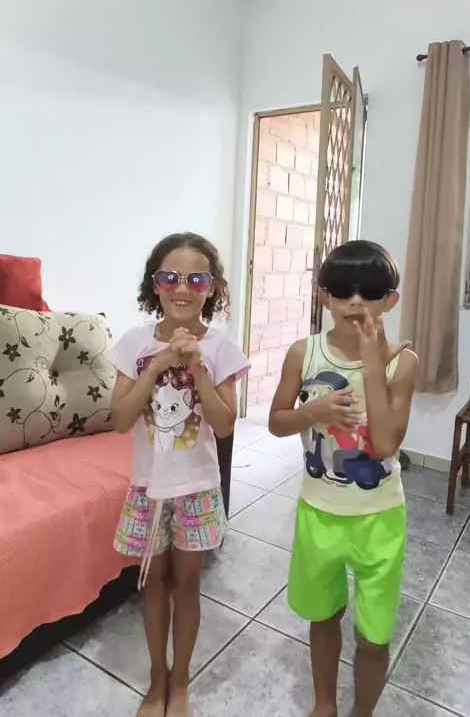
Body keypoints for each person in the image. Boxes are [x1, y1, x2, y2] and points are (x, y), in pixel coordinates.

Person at [269, 240, 418, 717]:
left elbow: (387, 442)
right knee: (323, 615)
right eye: (342, 290)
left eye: (370, 291)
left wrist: (373, 361)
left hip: (379, 518)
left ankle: (362, 712)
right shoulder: (303, 352)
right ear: (324, 297)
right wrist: (311, 411)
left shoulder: (402, 362)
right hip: (319, 512)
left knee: (374, 637)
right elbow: (276, 422)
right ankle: (325, 705)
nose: (356, 301)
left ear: (390, 300)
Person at [109, 232, 249, 717]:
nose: (183, 288)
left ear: (212, 287)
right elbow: (121, 419)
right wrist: (159, 365)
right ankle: (157, 679)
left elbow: (225, 424)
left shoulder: (222, 346)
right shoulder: (134, 343)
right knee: (153, 585)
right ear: (156, 285)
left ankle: (181, 681)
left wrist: (198, 370)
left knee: (187, 586)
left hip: (198, 489)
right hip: (148, 490)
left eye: (197, 279)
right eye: (170, 277)